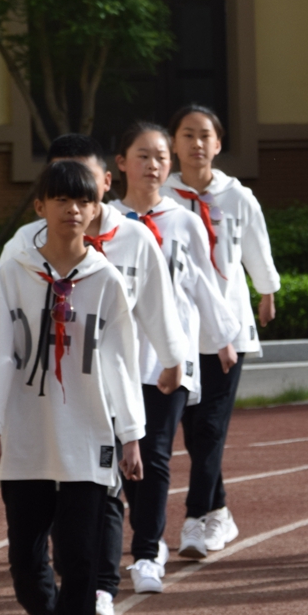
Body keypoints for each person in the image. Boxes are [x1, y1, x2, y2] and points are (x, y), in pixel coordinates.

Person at [0, 134, 192, 615]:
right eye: (61, 187)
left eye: (83, 187)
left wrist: (174, 359)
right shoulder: (23, 245)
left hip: (119, 382)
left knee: (105, 493)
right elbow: (5, 321)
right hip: (48, 398)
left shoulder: (132, 239)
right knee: (48, 513)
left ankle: (98, 593)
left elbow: (157, 301)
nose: (73, 198)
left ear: (104, 184)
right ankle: (58, 602)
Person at [0, 159, 146, 615]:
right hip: (25, 433)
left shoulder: (107, 280)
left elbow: (122, 360)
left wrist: (131, 434)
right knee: (27, 562)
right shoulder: (15, 269)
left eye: (84, 202)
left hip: (87, 436)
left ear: (97, 209)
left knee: (80, 560)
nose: (73, 210)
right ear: (40, 207)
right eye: (61, 200)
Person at [113, 122, 241, 569]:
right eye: (143, 156)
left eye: (161, 157)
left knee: (157, 450)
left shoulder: (184, 222)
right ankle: (142, 530)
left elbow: (203, 283)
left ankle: (149, 548)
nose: (153, 165)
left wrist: (222, 338)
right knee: (124, 452)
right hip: (119, 357)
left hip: (171, 355)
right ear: (121, 163)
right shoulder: (106, 222)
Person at [164, 104, 281, 556]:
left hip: (228, 328)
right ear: (174, 143)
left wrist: (267, 290)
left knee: (210, 427)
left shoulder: (237, 197)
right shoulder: (164, 199)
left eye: (205, 135)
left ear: (218, 143)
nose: (196, 143)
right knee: (193, 431)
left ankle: (195, 519)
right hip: (176, 329)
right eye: (187, 134)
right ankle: (221, 510)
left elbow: (257, 246)